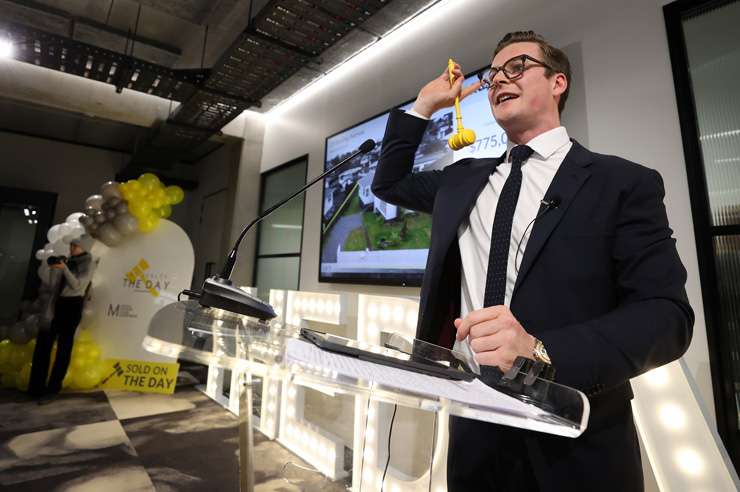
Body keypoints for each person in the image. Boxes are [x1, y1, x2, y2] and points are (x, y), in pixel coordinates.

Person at [372, 31, 694, 491]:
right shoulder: (461, 180)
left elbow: (667, 318)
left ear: (558, 81)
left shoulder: (620, 182)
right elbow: (389, 183)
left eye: (517, 66)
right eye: (494, 72)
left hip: (576, 439)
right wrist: (424, 105)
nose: (499, 78)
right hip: (474, 427)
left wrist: (540, 351)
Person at [29, 235, 95, 402]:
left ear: (84, 248)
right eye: (72, 245)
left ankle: (53, 387)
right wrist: (54, 269)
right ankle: (36, 387)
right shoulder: (66, 260)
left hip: (71, 306)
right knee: (43, 345)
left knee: (63, 349)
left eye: (76, 246)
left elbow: (77, 285)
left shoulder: (87, 263)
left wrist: (64, 268)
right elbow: (52, 286)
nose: (72, 248)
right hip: (54, 304)